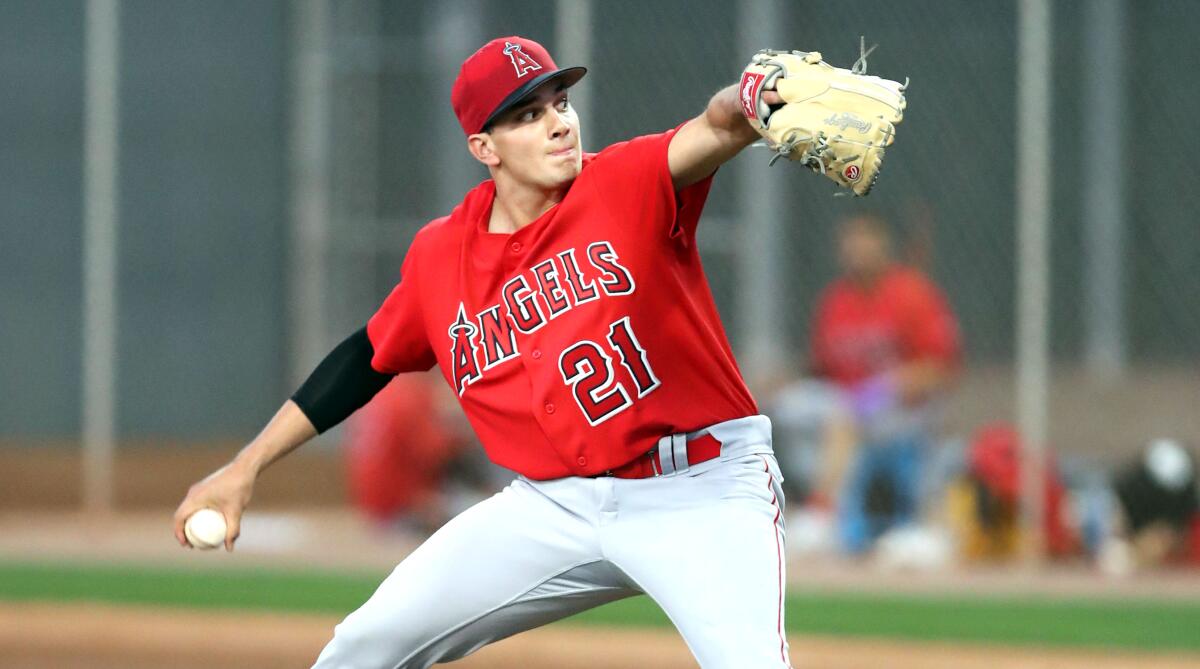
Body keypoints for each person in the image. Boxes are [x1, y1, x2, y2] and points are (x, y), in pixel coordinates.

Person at [174, 36, 793, 667]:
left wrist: (753, 96)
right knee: (363, 646)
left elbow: (717, 126)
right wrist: (245, 468)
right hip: (557, 504)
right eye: (528, 115)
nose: (558, 124)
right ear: (483, 148)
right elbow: (365, 358)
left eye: (561, 103)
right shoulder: (443, 256)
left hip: (700, 489)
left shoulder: (624, 182)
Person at [808, 213, 960, 554]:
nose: (856, 249)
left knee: (844, 415)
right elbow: (821, 370)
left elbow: (940, 367)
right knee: (792, 410)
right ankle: (799, 513)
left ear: (883, 245)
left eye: (866, 240)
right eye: (850, 240)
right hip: (849, 408)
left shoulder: (912, 293)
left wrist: (885, 388)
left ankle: (821, 515)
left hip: (905, 410)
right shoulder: (836, 301)